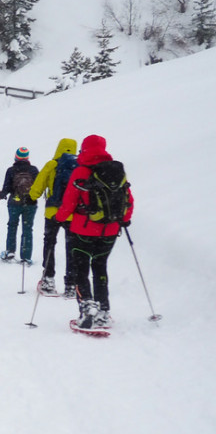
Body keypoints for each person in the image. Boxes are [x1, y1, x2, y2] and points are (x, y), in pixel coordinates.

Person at [56, 134, 134, 329]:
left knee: (80, 269)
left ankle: (87, 307)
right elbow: (128, 200)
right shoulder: (116, 171)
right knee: (100, 267)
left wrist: (60, 217)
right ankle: (103, 311)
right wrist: (123, 220)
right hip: (109, 231)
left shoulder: (81, 171)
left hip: (83, 229)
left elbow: (70, 201)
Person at [29, 138, 77, 296]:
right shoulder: (79, 167)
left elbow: (38, 185)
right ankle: (71, 284)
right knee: (72, 248)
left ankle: (48, 280)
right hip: (72, 214)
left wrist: (32, 196)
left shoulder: (52, 164)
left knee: (49, 243)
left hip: (52, 212)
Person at [0, 147, 40, 264]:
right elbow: (38, 187)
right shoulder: (34, 170)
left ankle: (10, 251)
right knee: (27, 229)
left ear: (16, 157)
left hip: (14, 203)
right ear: (27, 158)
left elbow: (7, 188)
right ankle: (26, 257)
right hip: (30, 204)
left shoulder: (11, 170)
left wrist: (0, 195)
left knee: (12, 225)